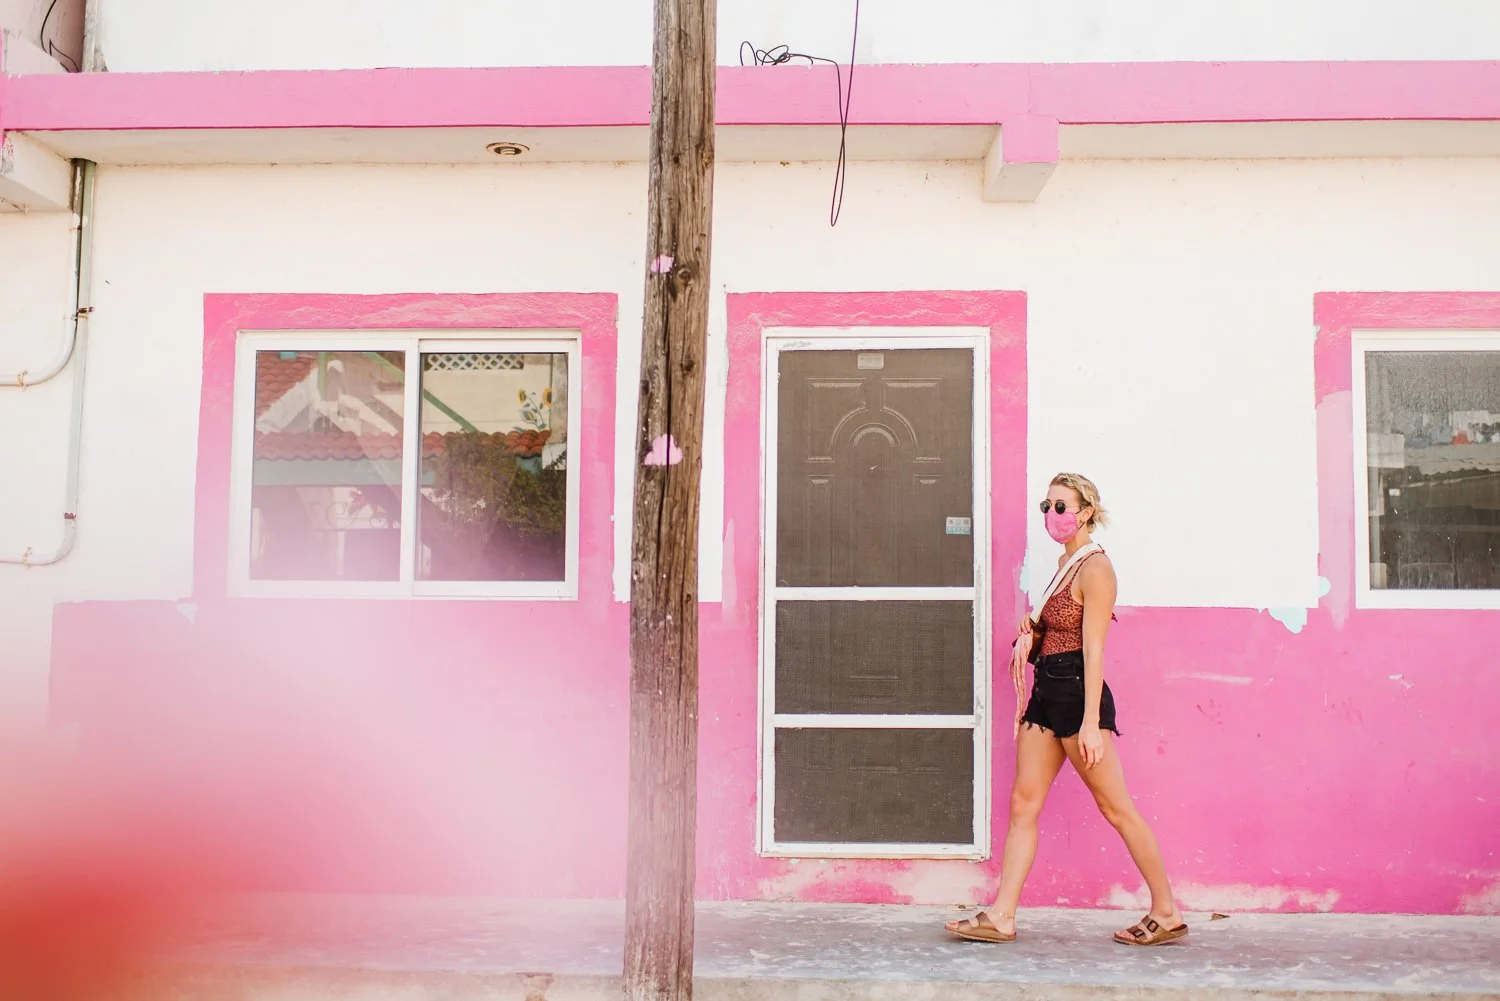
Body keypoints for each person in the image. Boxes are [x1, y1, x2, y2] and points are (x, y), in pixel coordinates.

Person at [944, 473, 1187, 947]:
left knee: (1116, 808)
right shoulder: (1065, 564)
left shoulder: (1096, 570)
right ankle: (1003, 915)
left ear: (1086, 511)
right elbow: (1056, 634)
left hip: (1078, 694)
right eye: (1047, 506)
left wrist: (1092, 723)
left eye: (1062, 507)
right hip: (1047, 692)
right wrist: (1033, 634)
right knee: (1023, 804)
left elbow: (1094, 650)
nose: (1053, 515)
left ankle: (1167, 910)